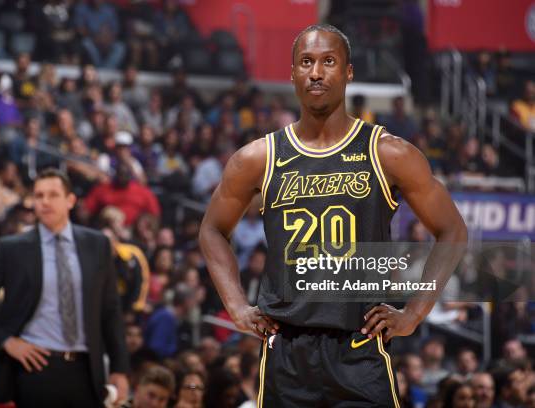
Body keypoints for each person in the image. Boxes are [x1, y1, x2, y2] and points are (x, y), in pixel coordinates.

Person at [199, 24, 467, 406]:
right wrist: (237, 306)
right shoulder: (258, 158)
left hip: (359, 345)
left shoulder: (388, 153)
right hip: (287, 349)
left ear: (348, 72)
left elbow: (452, 230)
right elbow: (212, 229)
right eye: (306, 62)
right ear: (292, 73)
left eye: (328, 61)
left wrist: (414, 313)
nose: (316, 72)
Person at [0, 168, 129, 407]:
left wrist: (119, 368)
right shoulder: (13, 248)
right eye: (39, 196)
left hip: (86, 370)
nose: (45, 202)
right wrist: (7, 341)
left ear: (70, 200)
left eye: (52, 195)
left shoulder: (97, 244)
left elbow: (111, 310)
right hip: (34, 369)